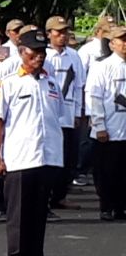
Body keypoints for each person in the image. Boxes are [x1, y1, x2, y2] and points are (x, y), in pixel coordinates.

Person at [0, 29, 64, 256]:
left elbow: (57, 117)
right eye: (34, 52)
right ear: (22, 52)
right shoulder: (9, 83)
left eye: (43, 53)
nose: (40, 57)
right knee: (19, 213)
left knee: (39, 210)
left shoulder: (51, 83)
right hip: (19, 156)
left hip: (47, 155)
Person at [43, 16, 85, 211]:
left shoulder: (73, 56)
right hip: (50, 114)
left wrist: (78, 112)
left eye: (65, 32)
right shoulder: (44, 55)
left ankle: (60, 195)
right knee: (49, 158)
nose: (63, 36)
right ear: (49, 34)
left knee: (67, 158)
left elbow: (78, 86)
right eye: (58, 32)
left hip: (68, 113)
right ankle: (46, 197)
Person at [86, 26, 126, 221]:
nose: (125, 44)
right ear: (112, 43)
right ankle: (106, 206)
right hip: (109, 128)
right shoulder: (103, 66)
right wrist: (99, 125)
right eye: (122, 40)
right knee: (106, 172)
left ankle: (121, 206)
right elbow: (95, 96)